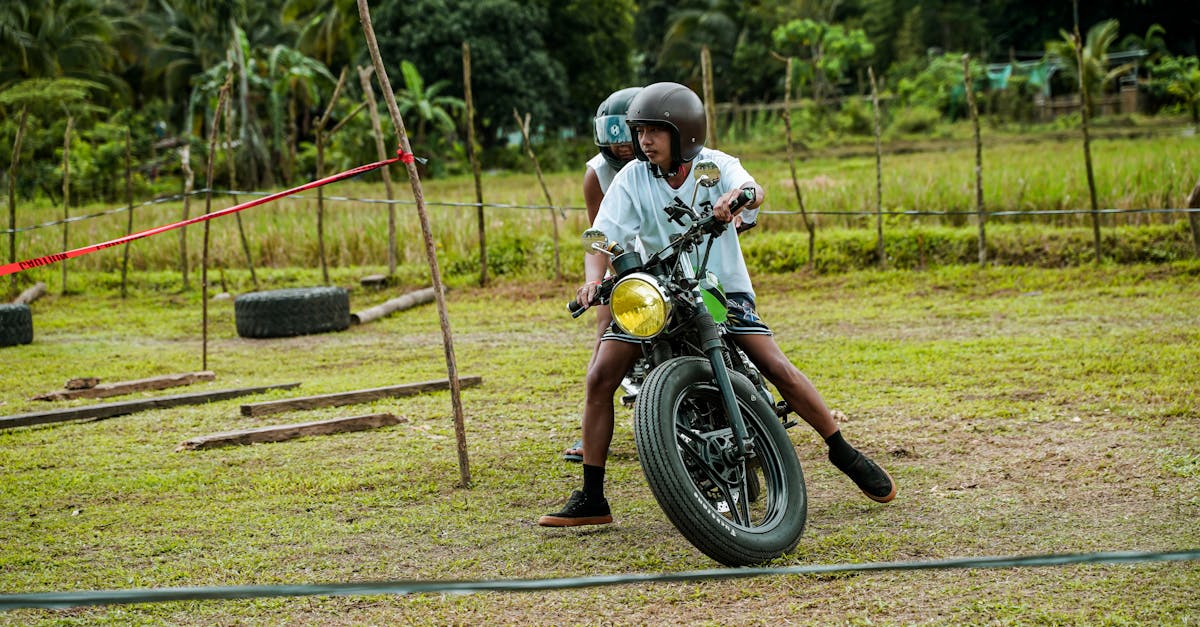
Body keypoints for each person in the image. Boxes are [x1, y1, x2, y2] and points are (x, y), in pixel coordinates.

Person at [539, 82, 895, 527]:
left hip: (718, 288)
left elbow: (752, 189)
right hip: (657, 290)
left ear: (683, 132)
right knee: (600, 376)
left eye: (654, 131)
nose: (644, 141)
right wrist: (593, 281)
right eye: (640, 131)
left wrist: (736, 198)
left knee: (773, 363)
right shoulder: (631, 177)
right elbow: (602, 237)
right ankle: (593, 496)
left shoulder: (715, 165)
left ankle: (842, 450)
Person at [561, 87, 642, 463]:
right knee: (604, 325)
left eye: (628, 137)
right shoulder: (597, 174)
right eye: (615, 139)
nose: (622, 147)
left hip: (674, 257)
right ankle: (590, 436)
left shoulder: (666, 163)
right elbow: (600, 236)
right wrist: (615, 279)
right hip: (625, 263)